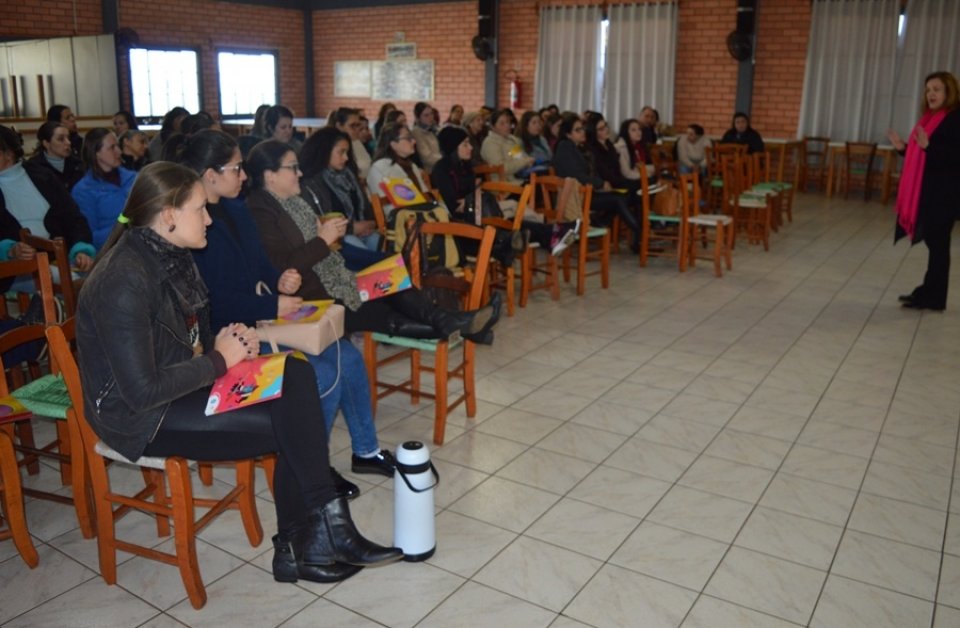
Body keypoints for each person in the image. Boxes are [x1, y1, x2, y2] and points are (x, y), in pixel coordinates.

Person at [77, 160, 403, 585]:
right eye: (200, 209)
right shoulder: (123, 279)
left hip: (179, 383)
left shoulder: (170, 254)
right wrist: (218, 360)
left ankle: (313, 541)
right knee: (295, 424)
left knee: (297, 374)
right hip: (142, 418)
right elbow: (140, 392)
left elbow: (192, 332)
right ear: (170, 215)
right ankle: (314, 541)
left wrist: (224, 343)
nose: (210, 219)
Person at [174, 130, 395, 501]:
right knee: (319, 374)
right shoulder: (194, 224)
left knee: (348, 355)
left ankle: (366, 451)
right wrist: (271, 305)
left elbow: (260, 264)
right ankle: (312, 470)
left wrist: (281, 279)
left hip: (258, 320)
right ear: (210, 175)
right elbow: (212, 302)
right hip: (226, 339)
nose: (244, 176)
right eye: (236, 169)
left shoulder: (234, 209)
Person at [245, 139, 501, 343]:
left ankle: (455, 323)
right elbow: (284, 265)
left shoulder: (293, 203)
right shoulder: (260, 211)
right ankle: (462, 326)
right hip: (314, 296)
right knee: (384, 311)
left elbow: (319, 249)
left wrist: (325, 235)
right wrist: (323, 239)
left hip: (337, 279)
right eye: (292, 167)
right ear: (270, 176)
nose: (299, 172)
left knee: (392, 280)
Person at [432, 126, 575, 257]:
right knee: (512, 212)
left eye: (469, 143)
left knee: (514, 222)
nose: (470, 147)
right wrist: (473, 199)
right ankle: (554, 231)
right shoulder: (441, 169)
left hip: (479, 214)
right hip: (464, 224)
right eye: (465, 144)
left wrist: (472, 199)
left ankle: (551, 235)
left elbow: (470, 197)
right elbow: (455, 205)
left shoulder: (465, 166)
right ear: (453, 148)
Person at [887, 71, 960, 311]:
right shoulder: (931, 118)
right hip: (930, 193)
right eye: (928, 90)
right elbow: (922, 155)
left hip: (945, 196)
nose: (931, 94)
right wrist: (903, 149)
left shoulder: (954, 119)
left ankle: (934, 298)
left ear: (949, 92)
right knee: (935, 244)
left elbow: (951, 158)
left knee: (938, 246)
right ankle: (930, 293)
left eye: (937, 89)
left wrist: (928, 147)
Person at [0, 124, 95, 292]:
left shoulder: (42, 176)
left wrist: (81, 249)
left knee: (100, 276)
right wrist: (10, 250)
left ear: (8, 153)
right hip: (13, 271)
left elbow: (73, 217)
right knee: (78, 284)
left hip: (57, 258)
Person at [552, 113, 641, 252]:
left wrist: (600, 183)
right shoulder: (565, 147)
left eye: (582, 128)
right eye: (577, 130)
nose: (583, 132)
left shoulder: (578, 147)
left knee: (623, 196)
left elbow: (589, 172)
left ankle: (601, 222)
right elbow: (577, 175)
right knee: (617, 200)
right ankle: (638, 231)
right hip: (574, 197)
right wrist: (600, 183)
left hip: (585, 192)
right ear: (568, 134)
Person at [299, 128, 384, 260]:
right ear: (324, 152)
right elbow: (317, 219)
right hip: (335, 239)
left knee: (376, 239)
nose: (346, 157)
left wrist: (370, 224)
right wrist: (351, 228)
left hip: (360, 231)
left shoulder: (348, 176)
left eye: (347, 152)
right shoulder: (311, 183)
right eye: (341, 152)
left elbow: (364, 206)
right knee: (357, 246)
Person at [71, 128, 136, 249]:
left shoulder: (133, 178)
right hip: (111, 251)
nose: (119, 151)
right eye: (112, 148)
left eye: (118, 146)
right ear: (96, 153)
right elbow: (90, 236)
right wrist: (124, 226)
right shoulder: (84, 190)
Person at [366, 123, 431, 216]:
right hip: (401, 221)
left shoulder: (412, 165)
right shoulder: (380, 168)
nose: (414, 141)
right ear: (393, 144)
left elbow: (425, 196)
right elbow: (388, 209)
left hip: (421, 215)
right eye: (408, 138)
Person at [481, 108, 534, 184]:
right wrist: (524, 162)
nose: (507, 126)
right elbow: (502, 168)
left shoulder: (511, 139)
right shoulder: (490, 143)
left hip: (517, 178)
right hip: (502, 184)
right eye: (502, 123)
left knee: (542, 181)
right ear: (493, 127)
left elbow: (520, 157)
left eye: (508, 122)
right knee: (537, 188)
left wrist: (527, 161)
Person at [28, 121, 84, 190]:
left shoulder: (78, 164)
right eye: (61, 139)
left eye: (68, 138)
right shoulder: (34, 168)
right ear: (46, 143)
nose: (68, 142)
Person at [328, 107, 371, 180]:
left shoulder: (357, 142)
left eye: (358, 125)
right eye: (352, 126)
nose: (357, 129)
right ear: (339, 126)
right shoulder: (332, 147)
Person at [614, 118, 652, 183]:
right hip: (624, 181)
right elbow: (626, 173)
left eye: (639, 129)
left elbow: (643, 166)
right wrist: (646, 174)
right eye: (633, 130)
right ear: (626, 132)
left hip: (635, 176)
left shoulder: (639, 146)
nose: (638, 132)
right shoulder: (621, 147)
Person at [410, 102, 441, 173]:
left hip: (440, 167)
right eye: (426, 115)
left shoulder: (434, 129)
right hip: (430, 171)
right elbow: (426, 157)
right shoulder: (417, 132)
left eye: (431, 113)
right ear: (418, 118)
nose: (430, 117)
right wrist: (445, 160)